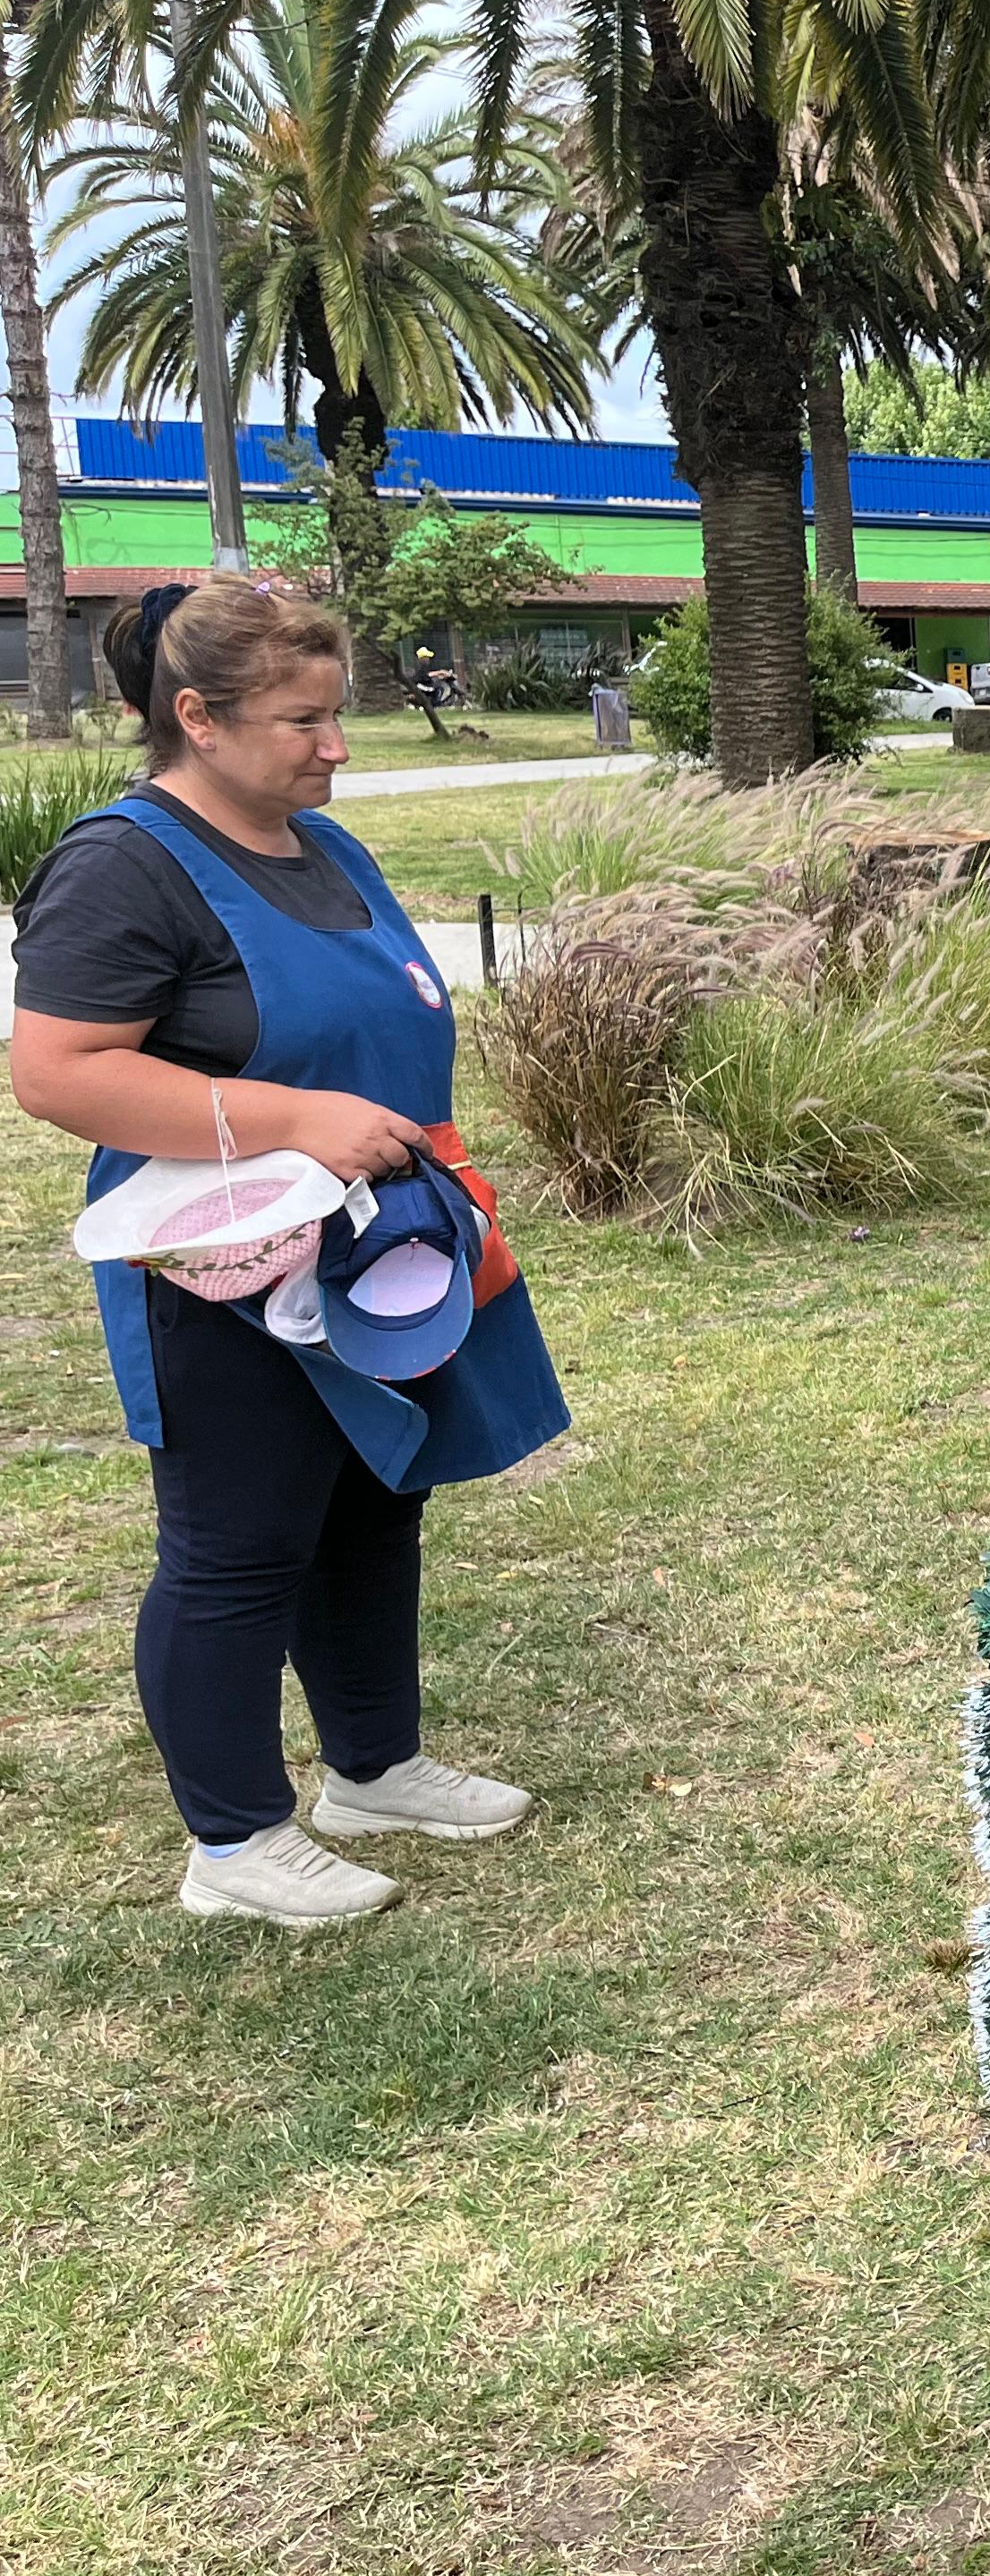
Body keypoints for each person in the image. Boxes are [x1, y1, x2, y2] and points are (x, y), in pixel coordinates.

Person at [9, 575, 569, 1928]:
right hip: (226, 1277)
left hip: (372, 1257)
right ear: (195, 717)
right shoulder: (123, 864)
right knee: (237, 1544)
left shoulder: (315, 841)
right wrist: (296, 1119)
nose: (334, 748)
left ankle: (371, 1767)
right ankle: (235, 1841)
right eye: (300, 721)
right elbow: (57, 1072)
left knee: (376, 1502)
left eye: (336, 716)